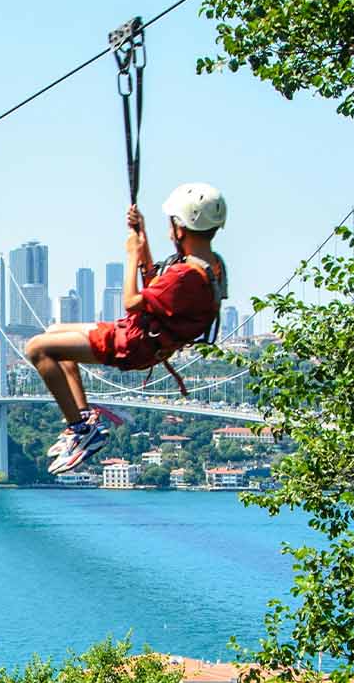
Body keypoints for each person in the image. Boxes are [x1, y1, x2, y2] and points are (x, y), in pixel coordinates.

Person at [23, 183, 227, 474]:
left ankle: (80, 430)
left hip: (134, 343)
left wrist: (132, 254)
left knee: (37, 349)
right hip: (142, 336)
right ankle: (85, 418)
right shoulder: (211, 267)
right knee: (54, 332)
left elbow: (132, 302)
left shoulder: (185, 275)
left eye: (171, 223)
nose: (169, 230)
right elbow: (156, 285)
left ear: (180, 227)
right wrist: (142, 237)